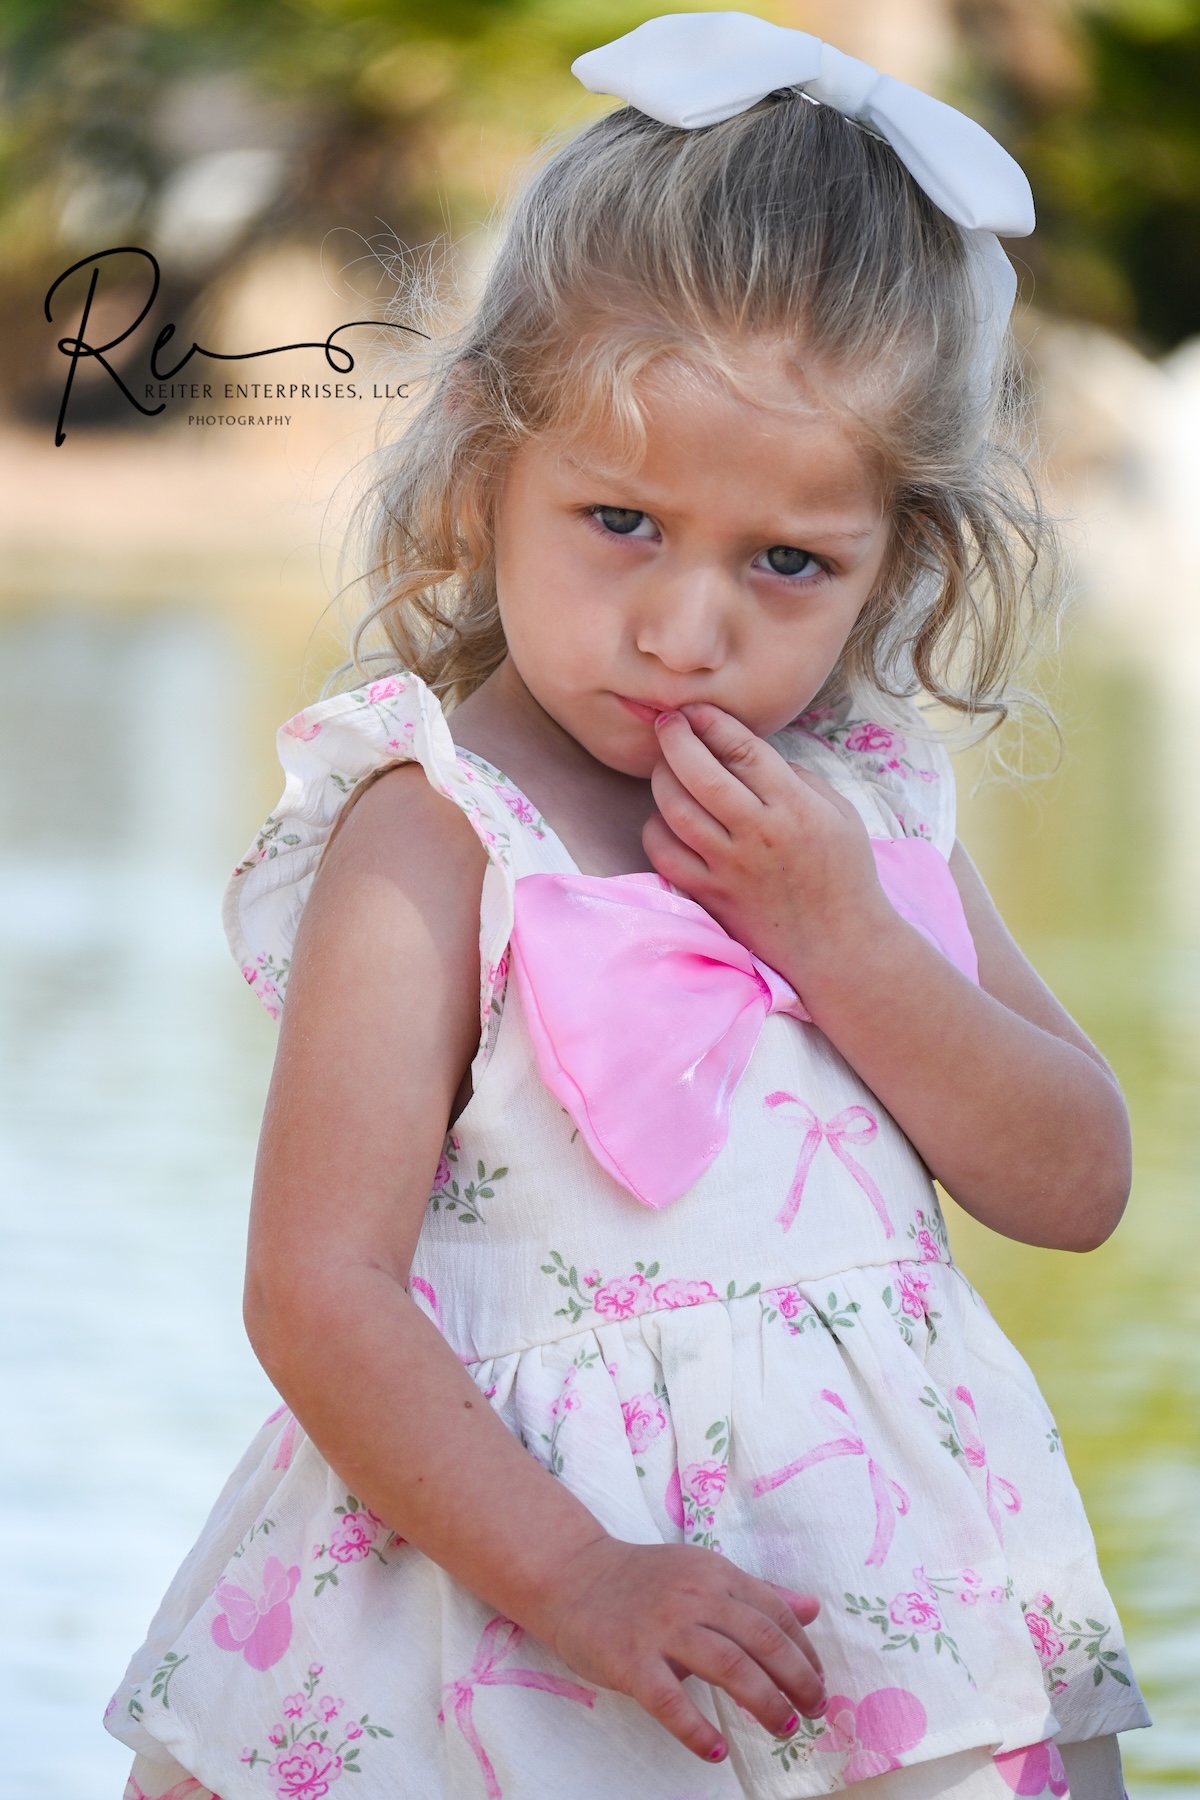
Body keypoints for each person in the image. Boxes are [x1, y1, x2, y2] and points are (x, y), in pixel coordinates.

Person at [105, 14, 1151, 1800]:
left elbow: (1072, 1182)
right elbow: (318, 1286)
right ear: (485, 463)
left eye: (790, 563)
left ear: (905, 556)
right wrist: (574, 1575)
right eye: (618, 521)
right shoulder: (436, 834)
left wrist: (845, 941)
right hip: (500, 1608)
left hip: (872, 1615)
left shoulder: (867, 808)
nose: (685, 629)